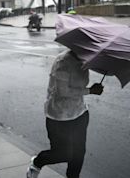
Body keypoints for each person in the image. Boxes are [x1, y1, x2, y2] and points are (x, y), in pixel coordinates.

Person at [26, 50, 104, 178]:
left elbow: (79, 86)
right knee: (63, 154)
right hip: (58, 116)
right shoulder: (62, 62)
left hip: (79, 113)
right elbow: (63, 91)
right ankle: (37, 161)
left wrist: (94, 87)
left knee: (78, 154)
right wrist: (90, 90)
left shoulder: (85, 60)